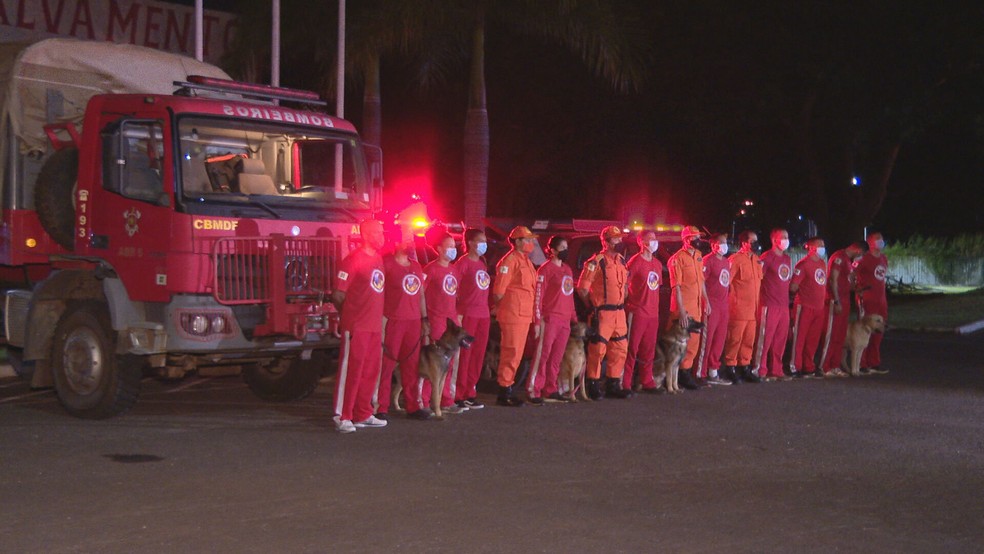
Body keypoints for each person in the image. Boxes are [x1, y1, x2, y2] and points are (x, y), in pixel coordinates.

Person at [330, 219, 388, 433]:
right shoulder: (352, 260)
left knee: (370, 371)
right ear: (367, 234)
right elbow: (338, 294)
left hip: (373, 326)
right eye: (378, 232)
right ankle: (342, 415)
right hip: (356, 326)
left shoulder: (378, 259)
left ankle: (363, 413)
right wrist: (349, 317)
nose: (382, 236)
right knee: (351, 371)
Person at [577, 225, 632, 400]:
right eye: (616, 238)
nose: (619, 241)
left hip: (619, 312)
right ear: (606, 241)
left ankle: (613, 384)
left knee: (620, 348)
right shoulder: (596, 262)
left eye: (619, 238)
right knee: (597, 349)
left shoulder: (621, 260)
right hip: (603, 313)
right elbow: (582, 288)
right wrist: (591, 307)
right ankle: (593, 383)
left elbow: (625, 286)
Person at [492, 226, 539, 406]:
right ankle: (504, 390)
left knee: (516, 353)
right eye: (527, 240)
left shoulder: (525, 261)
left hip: (522, 315)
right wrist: (505, 308)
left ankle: (508, 387)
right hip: (513, 314)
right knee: (511, 353)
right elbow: (498, 292)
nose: (531, 243)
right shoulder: (510, 261)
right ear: (517, 242)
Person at [527, 236, 577, 404]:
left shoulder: (567, 269)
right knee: (543, 355)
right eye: (562, 247)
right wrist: (537, 320)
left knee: (556, 357)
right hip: (550, 318)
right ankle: (535, 389)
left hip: (564, 320)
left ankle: (551, 388)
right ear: (553, 250)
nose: (565, 250)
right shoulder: (545, 270)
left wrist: (573, 317)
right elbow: (538, 296)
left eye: (566, 246)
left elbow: (570, 296)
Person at [423, 233, 466, 413]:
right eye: (448, 246)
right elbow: (420, 295)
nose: (452, 249)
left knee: (449, 362)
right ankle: (425, 401)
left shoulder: (454, 270)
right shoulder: (430, 270)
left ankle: (445, 399)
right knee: (433, 363)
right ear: (439, 249)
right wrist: (425, 319)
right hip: (436, 320)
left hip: (451, 322)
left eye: (453, 245)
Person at [666, 225, 711, 390]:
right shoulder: (677, 259)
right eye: (694, 237)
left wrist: (706, 300)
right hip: (684, 307)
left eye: (698, 237)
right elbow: (676, 287)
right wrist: (682, 310)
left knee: (694, 342)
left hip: (697, 306)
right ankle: (675, 376)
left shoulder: (698, 256)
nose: (698, 240)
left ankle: (686, 373)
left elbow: (701, 282)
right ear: (686, 240)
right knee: (678, 343)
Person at [622, 230, 663, 393]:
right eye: (651, 239)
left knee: (649, 349)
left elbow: (656, 288)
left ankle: (647, 380)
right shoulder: (635, 262)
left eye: (655, 239)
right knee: (632, 348)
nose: (654, 242)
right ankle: (625, 382)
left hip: (653, 315)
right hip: (637, 312)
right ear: (642, 242)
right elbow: (625, 284)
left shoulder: (657, 264)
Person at [454, 228, 491, 410]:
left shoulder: (482, 264)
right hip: (467, 314)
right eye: (480, 241)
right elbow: (453, 288)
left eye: (485, 241)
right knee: (465, 356)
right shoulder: (463, 263)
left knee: (477, 356)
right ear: (470, 243)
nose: (484, 244)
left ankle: (470, 391)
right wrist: (457, 314)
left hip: (483, 315)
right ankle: (459, 393)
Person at [819, 242, 866, 376]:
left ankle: (834, 365)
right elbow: (833, 279)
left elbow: (845, 282)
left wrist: (856, 289)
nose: (860, 256)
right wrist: (837, 300)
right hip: (836, 300)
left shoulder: (847, 260)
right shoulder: (838, 257)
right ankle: (824, 366)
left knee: (840, 335)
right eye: (861, 254)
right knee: (831, 334)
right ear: (857, 250)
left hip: (845, 300)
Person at [752, 228, 793, 382]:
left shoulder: (787, 259)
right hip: (769, 305)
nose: (786, 240)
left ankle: (776, 369)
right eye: (783, 237)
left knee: (780, 340)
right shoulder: (767, 257)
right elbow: (758, 279)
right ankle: (760, 369)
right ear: (774, 240)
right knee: (765, 339)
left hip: (783, 306)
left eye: (787, 237)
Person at [722, 230, 763, 384]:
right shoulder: (735, 259)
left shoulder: (756, 260)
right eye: (753, 241)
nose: (756, 244)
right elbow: (726, 283)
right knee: (735, 339)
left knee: (748, 340)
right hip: (738, 308)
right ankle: (730, 367)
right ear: (745, 243)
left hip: (753, 310)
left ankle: (744, 366)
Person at [788, 237, 828, 378]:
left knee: (813, 339)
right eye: (820, 245)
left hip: (819, 308)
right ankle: (795, 366)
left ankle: (808, 366)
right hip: (804, 306)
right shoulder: (803, 265)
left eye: (823, 245)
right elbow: (793, 286)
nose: (822, 248)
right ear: (811, 248)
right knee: (799, 338)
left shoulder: (822, 264)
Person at [697, 233, 732, 385]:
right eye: (722, 243)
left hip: (724, 306)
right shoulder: (707, 261)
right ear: (714, 245)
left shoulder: (726, 261)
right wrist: (706, 302)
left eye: (726, 242)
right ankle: (701, 372)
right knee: (707, 339)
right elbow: (701, 282)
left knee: (719, 340)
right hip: (712, 305)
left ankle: (713, 370)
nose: (725, 245)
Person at [855, 232, 890, 374]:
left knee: (879, 330)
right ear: (870, 242)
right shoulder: (863, 259)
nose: (881, 241)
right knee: (865, 329)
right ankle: (861, 363)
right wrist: (858, 290)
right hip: (867, 299)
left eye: (881, 238)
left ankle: (874, 362)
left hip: (881, 299)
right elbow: (851, 274)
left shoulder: (883, 258)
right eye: (877, 239)